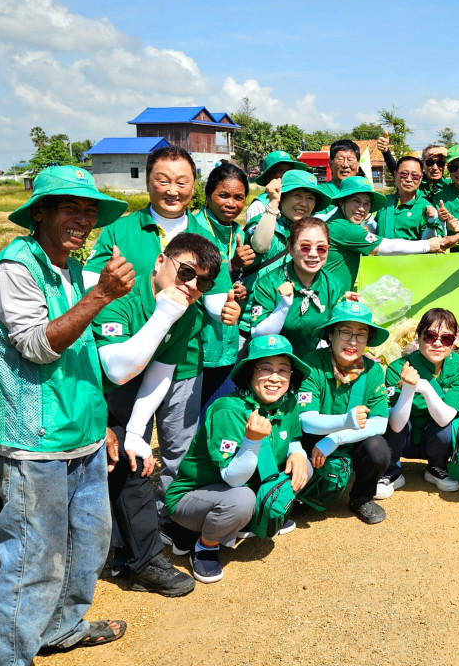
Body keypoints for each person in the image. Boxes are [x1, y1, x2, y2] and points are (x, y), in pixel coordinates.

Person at [0, 166, 133, 666]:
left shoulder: (69, 270)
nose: (83, 220)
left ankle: (63, 625)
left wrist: (105, 424)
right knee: (32, 559)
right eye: (69, 208)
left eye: (89, 211)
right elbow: (38, 348)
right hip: (34, 437)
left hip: (82, 432)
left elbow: (81, 357)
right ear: (39, 212)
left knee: (89, 540)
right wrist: (101, 297)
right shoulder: (14, 269)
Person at [83, 146, 236, 517]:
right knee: (124, 442)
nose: (173, 190)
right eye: (163, 180)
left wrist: (227, 310)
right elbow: (91, 283)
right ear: (148, 181)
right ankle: (126, 525)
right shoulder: (121, 229)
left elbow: (215, 296)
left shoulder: (206, 235)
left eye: (182, 182)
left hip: (180, 359)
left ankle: (172, 516)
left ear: (193, 186)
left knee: (178, 446)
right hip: (124, 351)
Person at [94, 232, 237, 595]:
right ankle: (121, 554)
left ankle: (135, 556)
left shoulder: (186, 313)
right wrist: (164, 314)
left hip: (130, 386)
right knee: (103, 472)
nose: (190, 286)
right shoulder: (121, 296)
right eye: (185, 272)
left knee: (133, 461)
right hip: (85, 389)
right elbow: (115, 368)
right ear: (161, 262)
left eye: (202, 282)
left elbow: (159, 374)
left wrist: (138, 433)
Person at [165, 335, 311, 583]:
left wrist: (298, 452)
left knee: (304, 465)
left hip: (240, 488)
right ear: (249, 373)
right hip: (195, 496)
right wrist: (252, 440)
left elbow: (292, 437)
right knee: (242, 499)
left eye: (283, 370)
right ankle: (204, 545)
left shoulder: (286, 402)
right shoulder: (228, 409)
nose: (275, 378)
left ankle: (246, 520)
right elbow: (233, 478)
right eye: (265, 368)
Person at [294, 300, 393, 524]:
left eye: (361, 335)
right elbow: (306, 421)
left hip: (349, 438)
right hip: (312, 441)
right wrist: (345, 420)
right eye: (345, 332)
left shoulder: (373, 369)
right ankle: (301, 494)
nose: (353, 341)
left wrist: (337, 437)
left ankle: (361, 497)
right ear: (330, 334)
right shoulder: (312, 363)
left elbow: (380, 423)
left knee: (378, 450)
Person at [379, 308, 459, 497]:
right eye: (430, 336)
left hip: (436, 439)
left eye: (446, 338)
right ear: (418, 336)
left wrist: (422, 386)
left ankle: (436, 467)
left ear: (454, 342)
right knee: (389, 416)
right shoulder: (397, 368)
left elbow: (445, 418)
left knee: (450, 423)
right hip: (403, 438)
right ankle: (392, 471)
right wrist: (407, 390)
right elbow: (396, 424)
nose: (438, 343)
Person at [195, 162, 256, 405]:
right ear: (208, 195)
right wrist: (233, 265)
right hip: (196, 343)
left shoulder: (238, 232)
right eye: (223, 195)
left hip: (227, 343)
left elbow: (233, 278)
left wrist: (238, 286)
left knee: (217, 414)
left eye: (239, 197)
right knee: (188, 423)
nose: (231, 203)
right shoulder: (193, 229)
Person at [247, 217, 353, 354]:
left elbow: (337, 334)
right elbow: (259, 335)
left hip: (314, 364)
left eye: (321, 248)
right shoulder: (269, 282)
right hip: (273, 363)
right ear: (290, 248)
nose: (313, 254)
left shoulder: (334, 286)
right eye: (305, 247)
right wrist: (283, 306)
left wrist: (350, 313)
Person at [325, 175, 446, 290]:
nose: (361, 208)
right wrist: (428, 245)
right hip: (325, 300)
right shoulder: (344, 228)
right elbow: (387, 246)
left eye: (366, 203)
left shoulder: (336, 221)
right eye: (356, 201)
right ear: (341, 202)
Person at [246, 169, 332, 271]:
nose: (304, 204)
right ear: (282, 197)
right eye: (297, 195)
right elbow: (260, 246)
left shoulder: (312, 232)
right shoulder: (263, 220)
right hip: (261, 287)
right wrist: (273, 203)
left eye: (310, 198)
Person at [372, 154, 442, 240]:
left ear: (420, 178)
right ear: (395, 174)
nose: (409, 179)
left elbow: (429, 242)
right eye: (404, 174)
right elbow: (373, 230)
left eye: (415, 176)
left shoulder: (425, 208)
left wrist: (432, 221)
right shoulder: (384, 202)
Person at [245, 150, 310, 223]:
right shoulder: (259, 206)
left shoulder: (297, 202)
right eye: (280, 171)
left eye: (289, 171)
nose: (285, 175)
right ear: (268, 176)